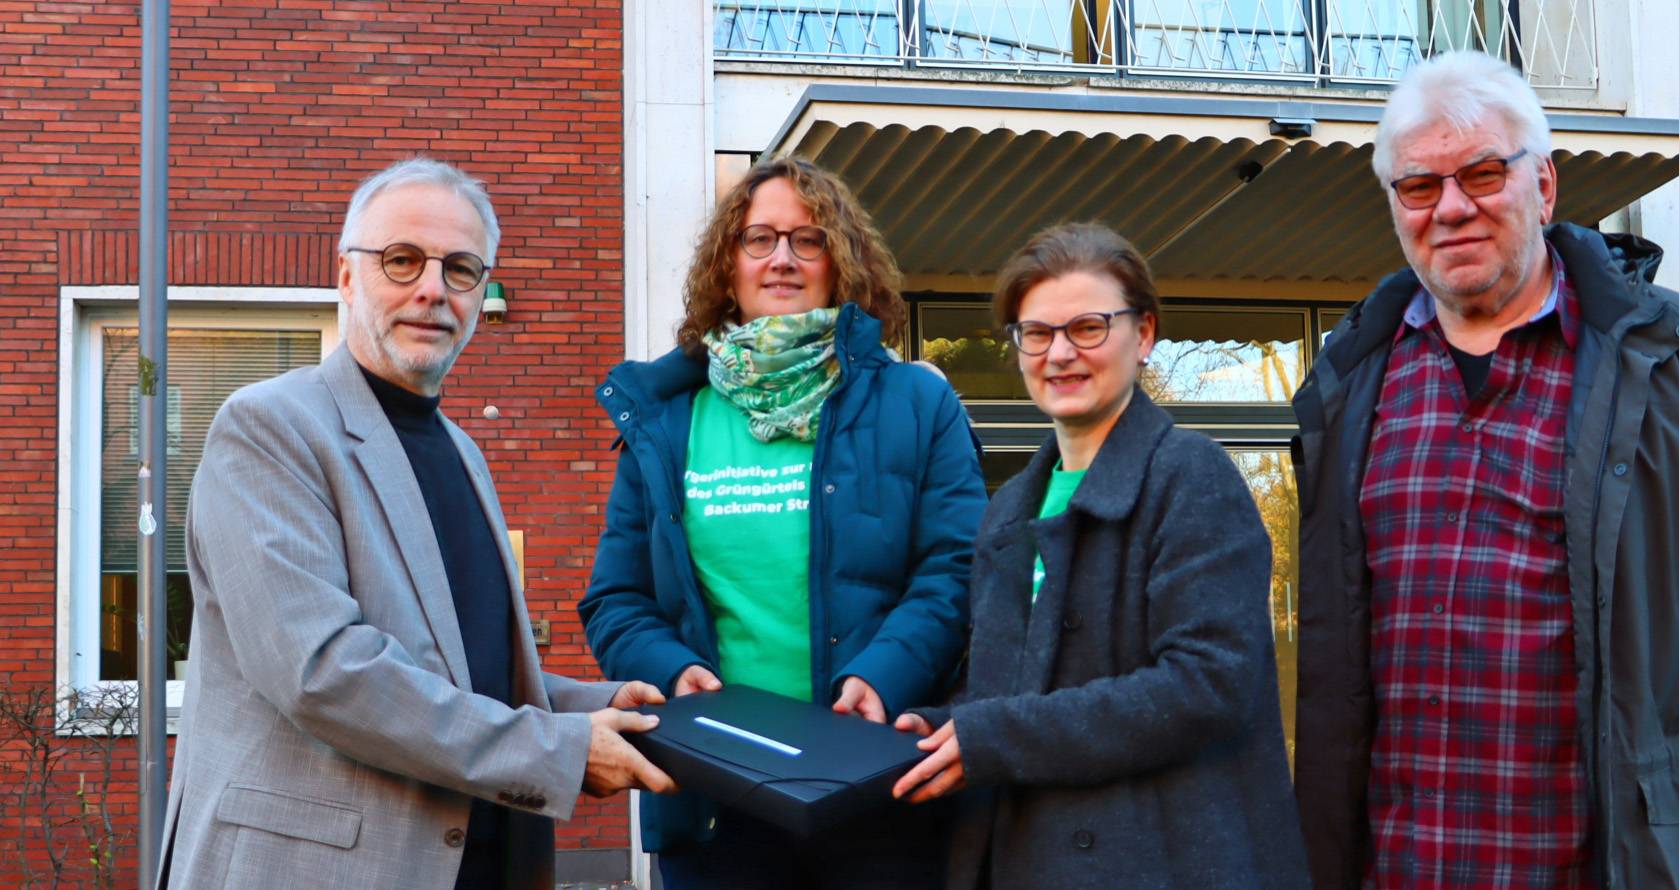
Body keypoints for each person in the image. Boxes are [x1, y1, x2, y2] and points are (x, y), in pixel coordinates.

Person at [1289, 51, 1679, 889]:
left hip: (1604, 862)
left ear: (1544, 187)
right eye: (1419, 186)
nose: (1451, 208)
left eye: (1481, 173)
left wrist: (1667, 695)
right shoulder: (1348, 378)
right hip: (1397, 863)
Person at [159, 157, 674, 890]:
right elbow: (324, 673)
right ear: (346, 276)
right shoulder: (268, 427)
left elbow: (458, 670)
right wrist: (558, 750)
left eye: (461, 269)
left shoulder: (460, 450)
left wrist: (593, 705)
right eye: (401, 260)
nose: (432, 289)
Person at [579, 155, 986, 888]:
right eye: (759, 238)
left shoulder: (918, 404)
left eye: (810, 239)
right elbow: (617, 598)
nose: (783, 260)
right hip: (712, 797)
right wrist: (672, 675)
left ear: (842, 263)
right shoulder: (665, 421)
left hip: (880, 784)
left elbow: (957, 569)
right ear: (726, 265)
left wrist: (883, 676)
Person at [890, 222, 1312, 890]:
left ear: (1143, 335)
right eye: (1036, 332)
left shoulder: (1191, 477)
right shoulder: (1008, 511)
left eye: (1087, 327)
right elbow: (1006, 692)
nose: (1059, 354)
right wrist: (936, 729)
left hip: (1163, 861)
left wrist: (993, 737)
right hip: (1023, 857)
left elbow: (1207, 686)